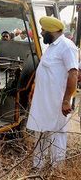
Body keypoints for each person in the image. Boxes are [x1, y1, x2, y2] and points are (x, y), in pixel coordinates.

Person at [26, 16, 78, 169]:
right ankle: (38, 167)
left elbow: (73, 73)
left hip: (57, 102)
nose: (41, 33)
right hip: (43, 101)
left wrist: (67, 100)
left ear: (51, 31)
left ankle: (56, 170)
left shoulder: (67, 46)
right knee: (41, 132)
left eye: (43, 30)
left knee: (57, 135)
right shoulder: (51, 47)